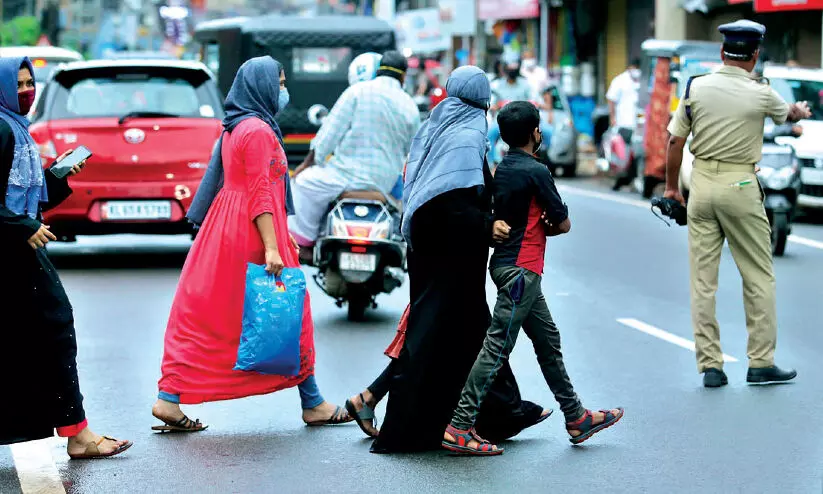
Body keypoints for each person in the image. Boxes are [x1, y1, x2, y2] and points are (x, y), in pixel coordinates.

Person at [152, 56, 353, 431]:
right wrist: (273, 247)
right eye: (278, 83)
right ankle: (312, 402)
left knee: (206, 316)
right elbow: (261, 191)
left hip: (223, 228)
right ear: (261, 87)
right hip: (252, 229)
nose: (282, 89)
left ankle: (170, 397)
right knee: (292, 313)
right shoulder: (258, 131)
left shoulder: (235, 126)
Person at [362, 66, 550, 454]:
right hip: (450, 255)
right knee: (433, 337)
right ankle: (407, 431)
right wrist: (486, 225)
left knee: (467, 336)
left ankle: (500, 414)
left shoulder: (436, 124)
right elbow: (453, 203)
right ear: (481, 97)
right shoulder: (467, 132)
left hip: (431, 251)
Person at [442, 102, 624, 456]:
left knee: (548, 341)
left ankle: (576, 416)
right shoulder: (537, 171)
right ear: (533, 134)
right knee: (497, 347)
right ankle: (460, 426)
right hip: (521, 272)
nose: (541, 134)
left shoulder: (503, 167)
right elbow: (563, 224)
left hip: (512, 271)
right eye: (538, 129)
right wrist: (543, 227)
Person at [0, 56, 132, 459]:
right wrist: (22, 227)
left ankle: (78, 431)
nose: (27, 91)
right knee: (54, 330)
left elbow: (31, 196)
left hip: (19, 251)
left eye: (30, 82)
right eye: (18, 84)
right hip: (12, 254)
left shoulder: (17, 131)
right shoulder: (2, 131)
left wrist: (59, 174)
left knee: (40, 338)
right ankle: (79, 435)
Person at [664, 20, 805, 388]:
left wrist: (670, 190)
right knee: (758, 275)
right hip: (741, 184)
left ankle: (711, 366)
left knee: (702, 281)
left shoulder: (697, 88)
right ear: (755, 55)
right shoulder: (761, 91)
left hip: (701, 185)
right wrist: (799, 113)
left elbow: (675, 142)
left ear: (723, 52)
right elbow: (786, 114)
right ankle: (760, 363)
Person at [288, 50, 420, 264]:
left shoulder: (357, 91)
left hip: (343, 177)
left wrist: (308, 164)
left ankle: (304, 245)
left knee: (301, 184)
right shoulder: (410, 106)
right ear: (403, 77)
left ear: (379, 71)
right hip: (382, 184)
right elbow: (412, 152)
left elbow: (328, 136)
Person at [487, 61, 540, 164]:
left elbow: (534, 101)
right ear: (505, 69)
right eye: (510, 68)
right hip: (503, 122)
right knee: (489, 135)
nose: (512, 71)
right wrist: (498, 105)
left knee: (546, 132)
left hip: (522, 121)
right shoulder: (497, 85)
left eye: (514, 68)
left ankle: (537, 160)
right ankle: (492, 163)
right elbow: (491, 105)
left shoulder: (525, 84)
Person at [607, 59, 641, 191]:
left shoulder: (642, 80)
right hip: (623, 124)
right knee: (623, 155)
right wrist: (612, 117)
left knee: (636, 153)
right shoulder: (619, 81)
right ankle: (620, 178)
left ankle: (632, 179)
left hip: (638, 125)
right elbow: (611, 99)